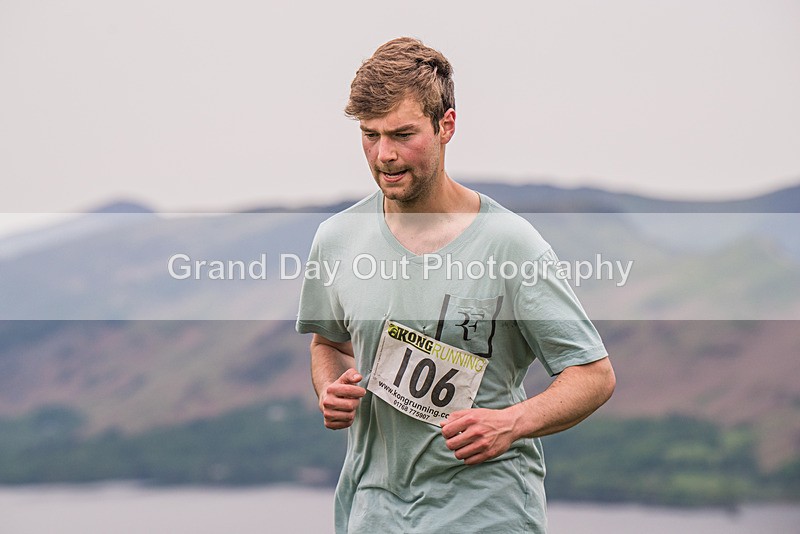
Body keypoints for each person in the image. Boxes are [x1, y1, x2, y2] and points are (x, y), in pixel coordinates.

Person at [296, 37, 616, 533]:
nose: (384, 155)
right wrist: (329, 386)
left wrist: (511, 423)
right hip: (373, 514)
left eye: (403, 134)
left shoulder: (510, 244)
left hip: (487, 513)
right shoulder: (336, 239)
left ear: (446, 125)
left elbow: (593, 375)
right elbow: (329, 344)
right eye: (370, 134)